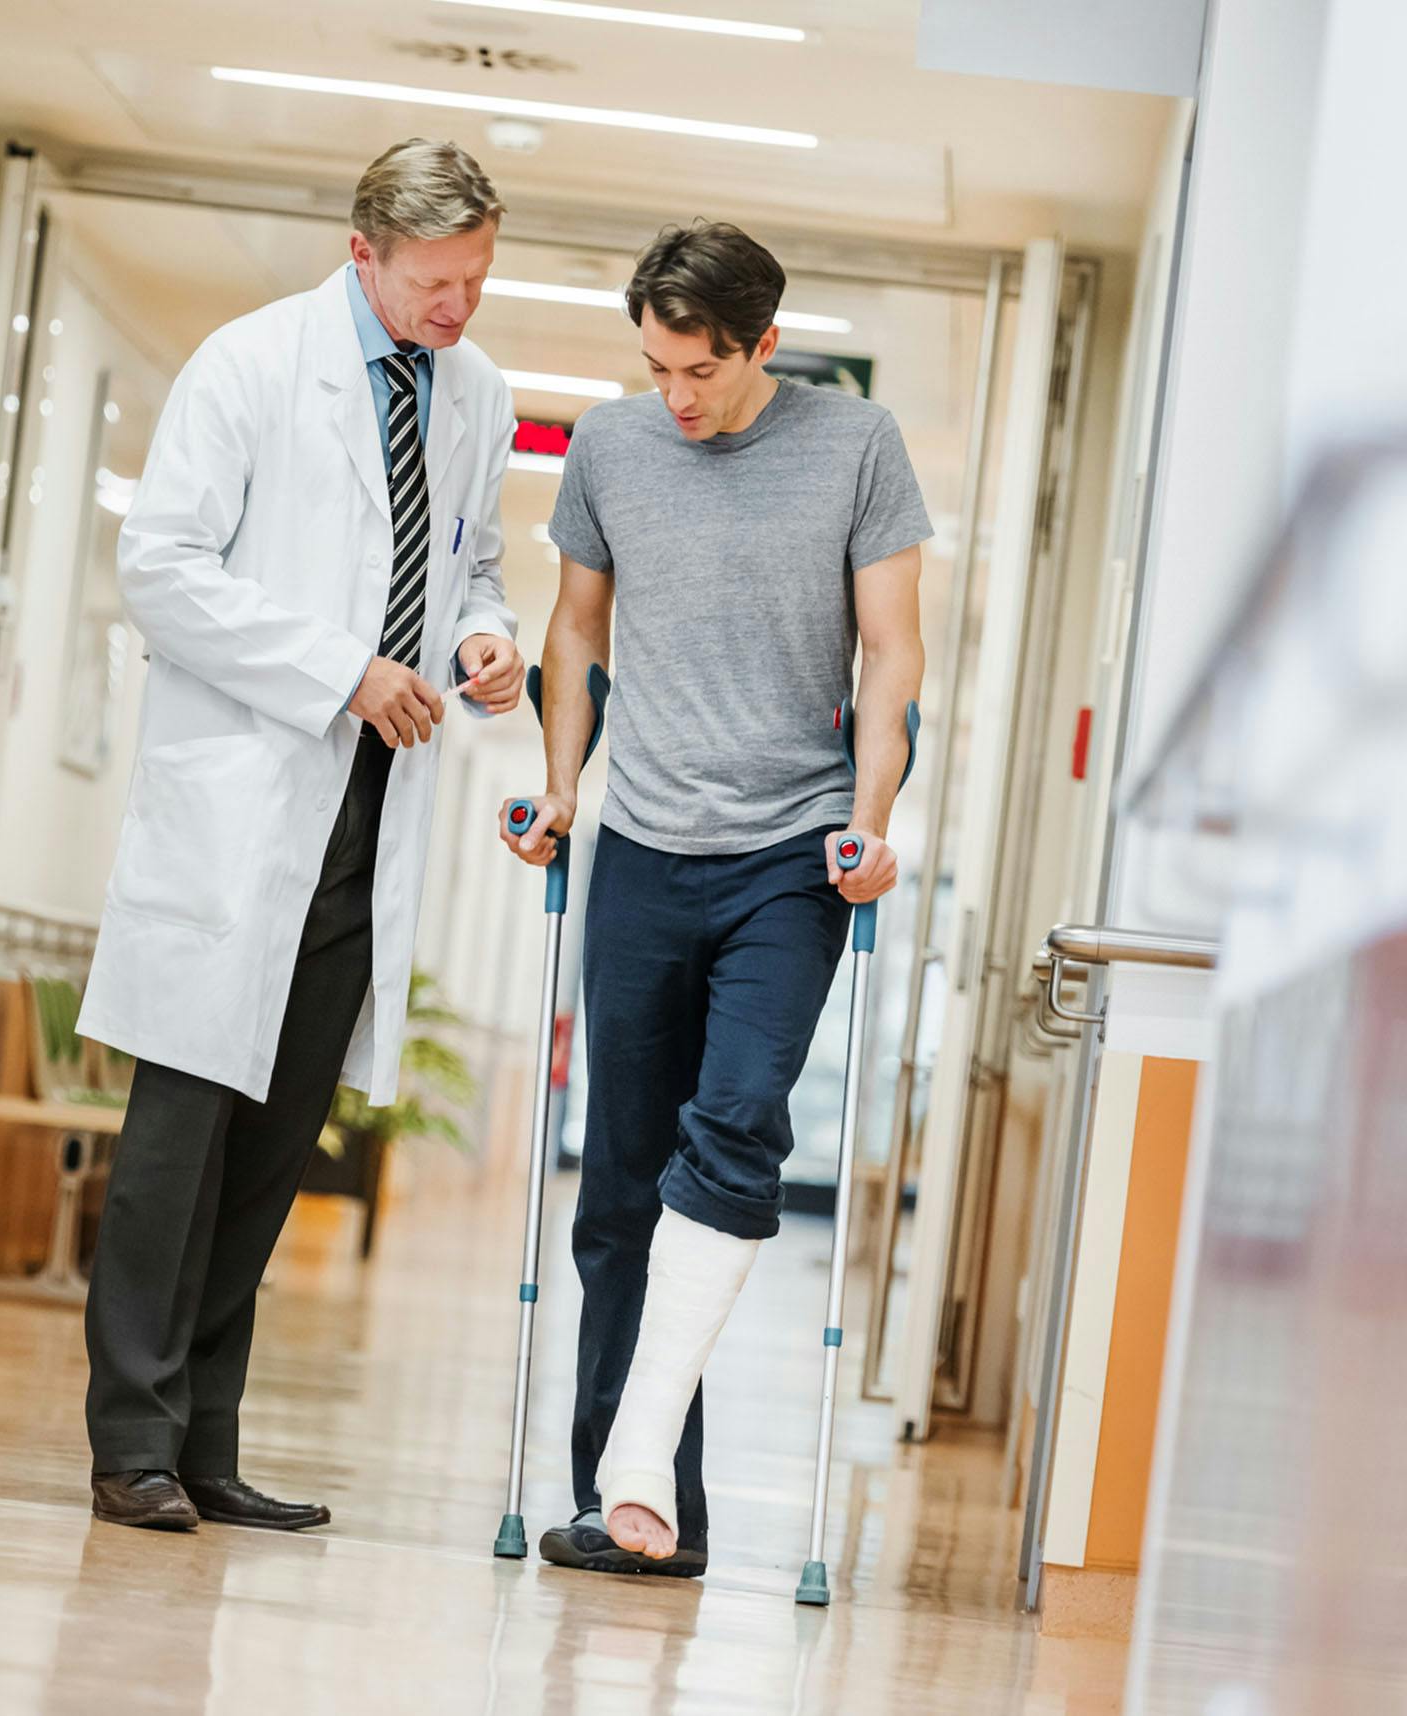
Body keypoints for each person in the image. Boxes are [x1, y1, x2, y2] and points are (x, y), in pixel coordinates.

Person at [77, 139, 524, 1535]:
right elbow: (159, 568)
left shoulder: (480, 394)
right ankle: (130, 1444)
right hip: (245, 805)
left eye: (476, 280)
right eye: (437, 282)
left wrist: (485, 639)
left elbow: (475, 562)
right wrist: (341, 669)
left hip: (364, 817)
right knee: (177, 1146)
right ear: (364, 253)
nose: (460, 307)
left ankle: (207, 1441)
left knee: (274, 1150)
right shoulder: (250, 366)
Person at [504, 220, 929, 1578]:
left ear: (764, 339)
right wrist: (562, 783)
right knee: (618, 1193)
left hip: (786, 860)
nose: (676, 396)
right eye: (657, 366)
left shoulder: (857, 447)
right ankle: (635, 1505)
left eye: (701, 370)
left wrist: (871, 824)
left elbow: (892, 654)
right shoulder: (613, 447)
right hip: (639, 848)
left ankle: (636, 1474)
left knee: (738, 1123)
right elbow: (576, 627)